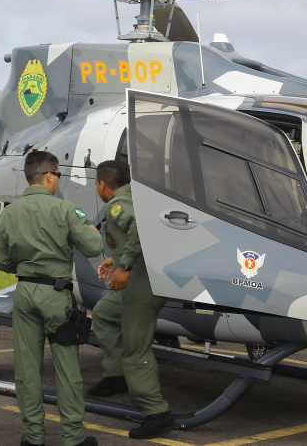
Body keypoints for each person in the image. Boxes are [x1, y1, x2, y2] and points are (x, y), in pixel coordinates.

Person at [0, 151, 103, 446]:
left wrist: (27, 268)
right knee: (66, 368)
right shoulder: (66, 210)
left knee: (27, 370)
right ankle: (73, 437)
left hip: (25, 292)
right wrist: (89, 231)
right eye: (59, 176)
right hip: (55, 295)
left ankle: (33, 437)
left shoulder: (10, 212)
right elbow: (93, 246)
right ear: (51, 175)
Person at [89, 160, 177, 440]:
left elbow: (141, 226)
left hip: (141, 285)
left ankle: (157, 413)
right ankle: (117, 375)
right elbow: (137, 237)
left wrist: (124, 267)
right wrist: (114, 260)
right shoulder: (131, 196)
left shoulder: (118, 205)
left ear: (102, 184)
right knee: (103, 313)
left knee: (135, 349)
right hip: (137, 280)